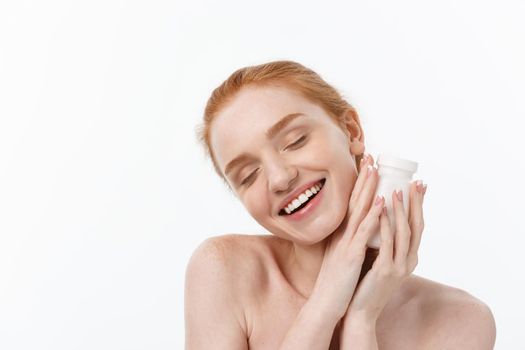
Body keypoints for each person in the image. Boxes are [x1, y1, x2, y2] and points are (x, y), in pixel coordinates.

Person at [184, 60, 496, 349]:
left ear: (351, 131)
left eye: (295, 141)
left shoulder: (459, 321)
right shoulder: (224, 271)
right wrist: (325, 302)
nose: (279, 179)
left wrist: (362, 319)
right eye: (248, 175)